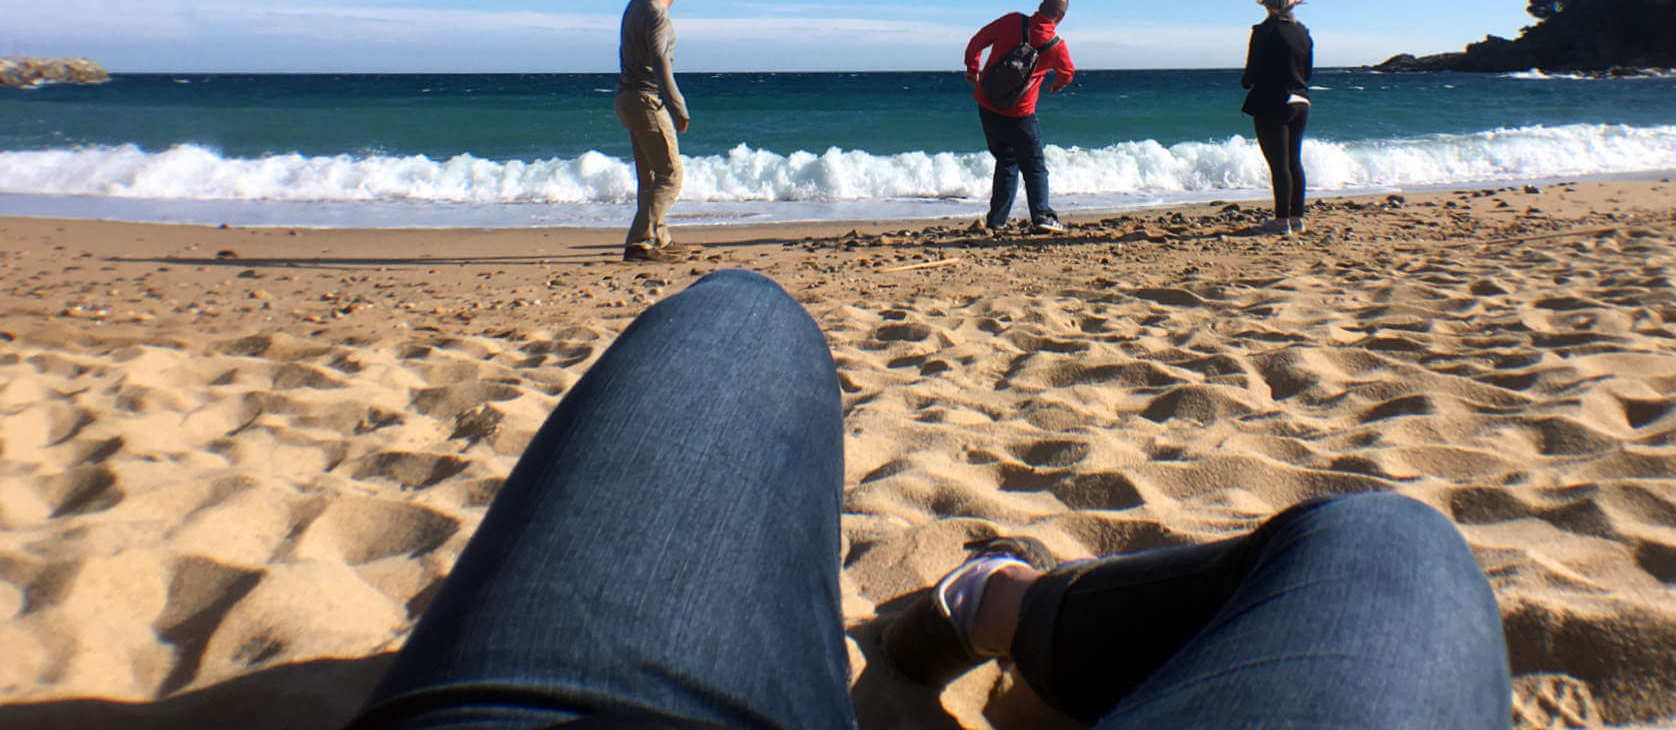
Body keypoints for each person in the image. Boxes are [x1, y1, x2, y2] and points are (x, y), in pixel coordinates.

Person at [348, 269, 1513, 730]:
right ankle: (1000, 606)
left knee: (740, 322)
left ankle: (986, 605)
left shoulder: (1020, 41)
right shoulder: (1030, 41)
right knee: (1391, 541)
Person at [964, 0, 1077, 233]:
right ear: (1061, 17)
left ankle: (997, 219)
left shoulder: (1012, 20)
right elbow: (1068, 72)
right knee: (1034, 165)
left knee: (1006, 160)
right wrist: (1055, 85)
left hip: (987, 103)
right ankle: (1042, 215)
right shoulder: (1057, 46)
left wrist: (973, 69)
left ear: (1039, 6)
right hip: (1021, 112)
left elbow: (977, 41)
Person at [616, 0, 693, 262]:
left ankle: (659, 235)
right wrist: (678, 107)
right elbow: (661, 62)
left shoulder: (636, 3)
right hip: (647, 99)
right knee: (671, 175)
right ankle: (639, 241)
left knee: (650, 176)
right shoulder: (658, 14)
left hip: (626, 97)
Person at [1241, 0, 1314, 235]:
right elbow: (1307, 71)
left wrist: (1247, 81)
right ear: (1293, 4)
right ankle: (1297, 218)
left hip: (1273, 101)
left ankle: (1281, 221)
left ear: (1267, 4)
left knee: (1278, 164)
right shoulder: (1303, 32)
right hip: (1301, 100)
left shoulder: (1264, 32)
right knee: (1294, 161)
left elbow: (1252, 72)